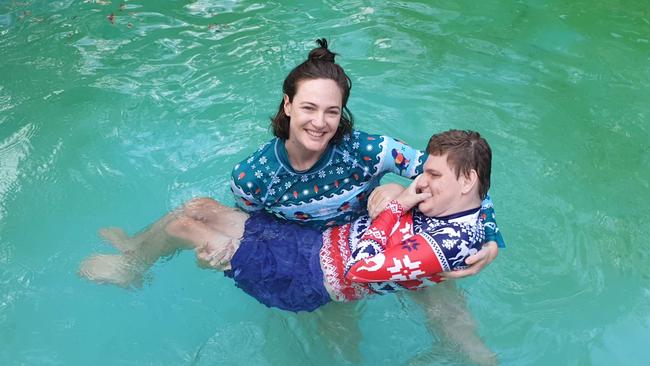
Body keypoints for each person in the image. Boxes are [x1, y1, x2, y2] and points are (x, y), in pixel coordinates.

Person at [80, 129, 492, 308]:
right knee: (199, 208)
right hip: (315, 245)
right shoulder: (260, 169)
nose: (421, 180)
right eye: (309, 108)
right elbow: (467, 194)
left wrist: (398, 205)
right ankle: (136, 249)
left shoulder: (446, 237)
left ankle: (132, 269)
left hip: (315, 273)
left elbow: (362, 271)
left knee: (183, 226)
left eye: (330, 110)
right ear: (288, 108)